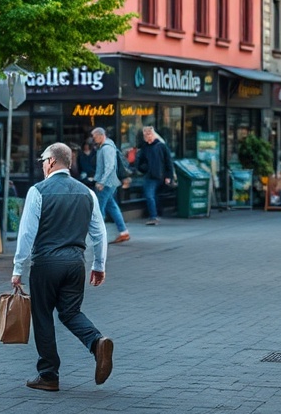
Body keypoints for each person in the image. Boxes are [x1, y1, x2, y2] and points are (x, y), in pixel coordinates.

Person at [12, 142, 113, 392]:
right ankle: (96, 341)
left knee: (43, 315)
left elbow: (26, 234)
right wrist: (99, 265)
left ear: (52, 162)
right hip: (75, 263)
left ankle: (48, 374)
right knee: (70, 312)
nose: (42, 166)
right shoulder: (87, 193)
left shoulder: (38, 191)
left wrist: (17, 268)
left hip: (46, 263)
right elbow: (100, 234)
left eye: (43, 161)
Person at [91, 127, 130, 243]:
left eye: (94, 137)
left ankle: (99, 237)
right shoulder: (107, 146)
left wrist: (101, 182)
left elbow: (109, 166)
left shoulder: (107, 148)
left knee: (99, 209)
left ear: (100, 135)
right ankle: (124, 232)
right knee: (111, 206)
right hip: (109, 182)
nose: (93, 140)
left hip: (106, 183)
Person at [137, 125, 173, 225]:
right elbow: (140, 160)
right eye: (145, 135)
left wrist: (169, 176)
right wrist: (142, 168)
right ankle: (154, 215)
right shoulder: (145, 147)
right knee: (152, 195)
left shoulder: (161, 146)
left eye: (149, 135)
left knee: (150, 195)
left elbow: (168, 161)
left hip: (158, 175)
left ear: (153, 135)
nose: (147, 137)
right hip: (151, 175)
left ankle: (154, 215)